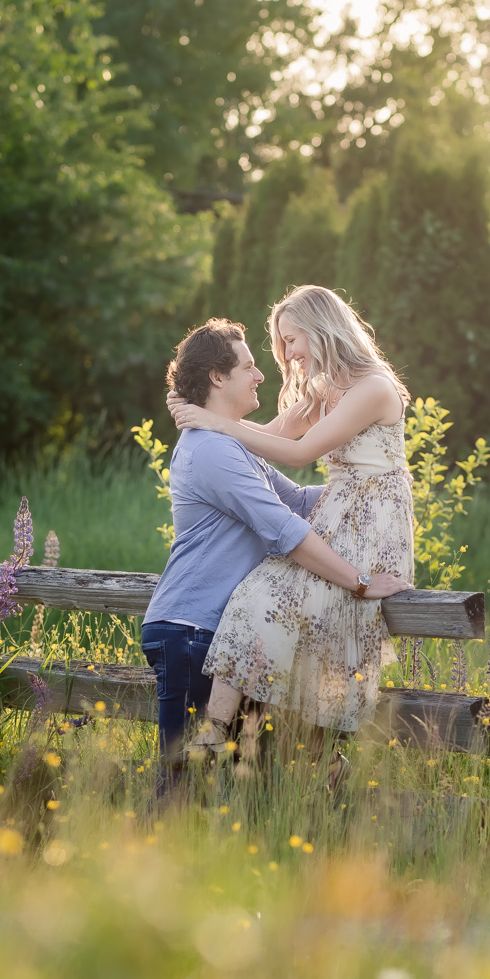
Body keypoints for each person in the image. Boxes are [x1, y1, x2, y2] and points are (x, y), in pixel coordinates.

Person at [139, 318, 410, 790]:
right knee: (180, 789)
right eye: (249, 366)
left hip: (224, 637)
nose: (262, 373)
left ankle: (313, 776)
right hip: (193, 630)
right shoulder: (212, 451)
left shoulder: (229, 445)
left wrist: (369, 493)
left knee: (242, 787)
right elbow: (287, 529)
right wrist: (359, 582)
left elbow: (296, 499)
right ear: (217, 378)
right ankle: (149, 857)